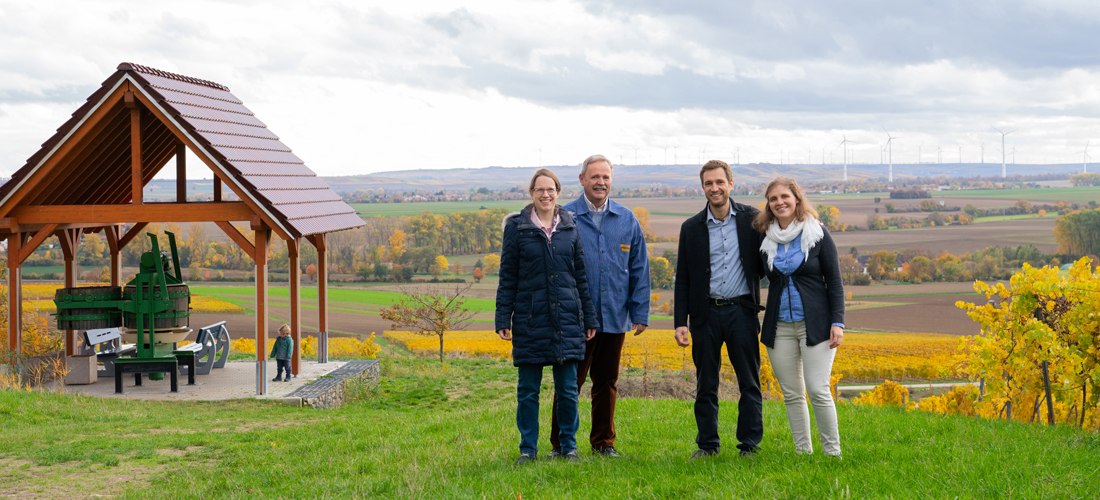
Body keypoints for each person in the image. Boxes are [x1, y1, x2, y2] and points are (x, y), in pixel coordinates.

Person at [549, 154, 650, 458]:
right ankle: (561, 445)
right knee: (570, 383)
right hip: (575, 319)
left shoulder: (626, 219)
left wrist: (640, 311)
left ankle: (604, 443)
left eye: (605, 177)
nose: (600, 182)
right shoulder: (564, 217)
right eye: (594, 177)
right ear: (582, 180)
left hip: (615, 316)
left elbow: (639, 268)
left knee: (606, 382)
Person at [496, 168, 598, 465]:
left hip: (566, 319)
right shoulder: (517, 228)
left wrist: (589, 318)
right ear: (532, 193)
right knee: (528, 390)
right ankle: (528, 448)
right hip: (530, 320)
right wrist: (503, 318)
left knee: (567, 390)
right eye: (539, 190)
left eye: (550, 189)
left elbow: (581, 275)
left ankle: (569, 446)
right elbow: (508, 276)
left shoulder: (570, 226)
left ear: (558, 192)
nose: (545, 194)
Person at [673, 159, 765, 458]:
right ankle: (708, 445)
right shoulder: (691, 228)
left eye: (719, 182)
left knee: (749, 382)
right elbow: (683, 277)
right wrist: (680, 321)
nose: (715, 188)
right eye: (708, 183)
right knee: (706, 383)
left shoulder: (753, 220)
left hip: (742, 311)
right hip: (706, 315)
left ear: (731, 184)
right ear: (703, 187)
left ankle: (749, 444)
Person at [754, 176, 845, 457]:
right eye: (773, 199)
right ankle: (802, 453)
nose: (780, 202)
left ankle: (832, 453)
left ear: (796, 200)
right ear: (768, 205)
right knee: (792, 394)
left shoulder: (817, 234)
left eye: (785, 197)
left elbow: (835, 280)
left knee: (818, 390)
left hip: (815, 325)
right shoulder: (764, 238)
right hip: (779, 327)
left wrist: (838, 322)